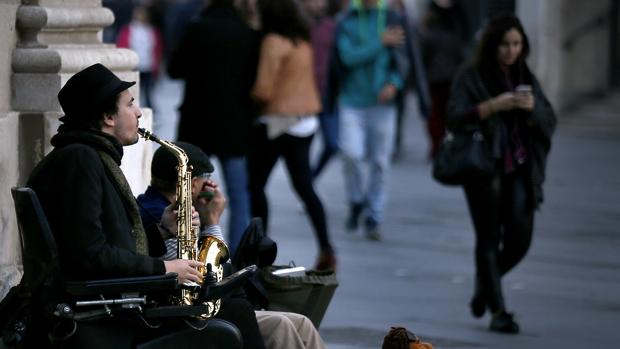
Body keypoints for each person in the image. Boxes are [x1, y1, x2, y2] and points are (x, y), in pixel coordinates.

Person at [24, 63, 226, 346]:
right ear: (108, 117)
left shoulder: (85, 157)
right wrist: (165, 270)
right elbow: (89, 255)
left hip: (104, 309)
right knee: (233, 318)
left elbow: (100, 245)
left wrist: (160, 233)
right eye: (130, 104)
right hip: (101, 320)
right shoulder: (80, 161)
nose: (139, 112)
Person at [138, 142, 327, 349]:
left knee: (302, 323)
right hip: (186, 314)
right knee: (281, 325)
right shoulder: (168, 216)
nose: (210, 186)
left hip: (200, 307)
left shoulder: (152, 204)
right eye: (206, 180)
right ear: (191, 184)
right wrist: (212, 221)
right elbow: (213, 272)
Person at [445, 13, 556, 334]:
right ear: (492, 45)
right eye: (505, 44)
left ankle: (484, 287)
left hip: (520, 168)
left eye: (517, 44)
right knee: (488, 237)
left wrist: (531, 108)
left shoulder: (524, 74)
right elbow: (454, 117)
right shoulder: (472, 76)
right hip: (483, 167)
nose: (511, 51)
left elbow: (549, 118)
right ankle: (498, 310)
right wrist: (494, 106)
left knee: (521, 239)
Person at [168, 0, 262, 255]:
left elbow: (174, 69)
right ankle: (238, 258)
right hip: (234, 124)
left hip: (197, 123)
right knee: (238, 193)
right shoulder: (248, 33)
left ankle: (192, 249)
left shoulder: (197, 28)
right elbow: (256, 80)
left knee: (191, 190)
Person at [249, 0, 336, 271]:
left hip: (277, 121)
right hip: (306, 120)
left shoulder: (273, 41)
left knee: (255, 185)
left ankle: (258, 250)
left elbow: (263, 89)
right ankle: (326, 247)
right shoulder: (301, 39)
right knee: (304, 186)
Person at [335, 0, 407, 240]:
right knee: (351, 154)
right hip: (352, 101)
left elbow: (403, 60)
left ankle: (374, 215)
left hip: (382, 104)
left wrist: (394, 84)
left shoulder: (392, 18)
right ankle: (356, 200)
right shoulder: (347, 20)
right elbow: (347, 57)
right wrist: (380, 43)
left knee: (380, 162)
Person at [302, 0, 339, 180]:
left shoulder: (332, 27)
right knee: (302, 149)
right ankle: (306, 187)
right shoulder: (300, 26)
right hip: (304, 95)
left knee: (332, 144)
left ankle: (310, 180)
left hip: (326, 95)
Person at [117, 4, 163, 110]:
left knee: (148, 92)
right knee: (133, 92)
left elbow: (157, 48)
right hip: (134, 65)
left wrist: (156, 65)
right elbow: (123, 45)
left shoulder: (152, 30)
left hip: (148, 65)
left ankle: (150, 111)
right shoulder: (129, 30)